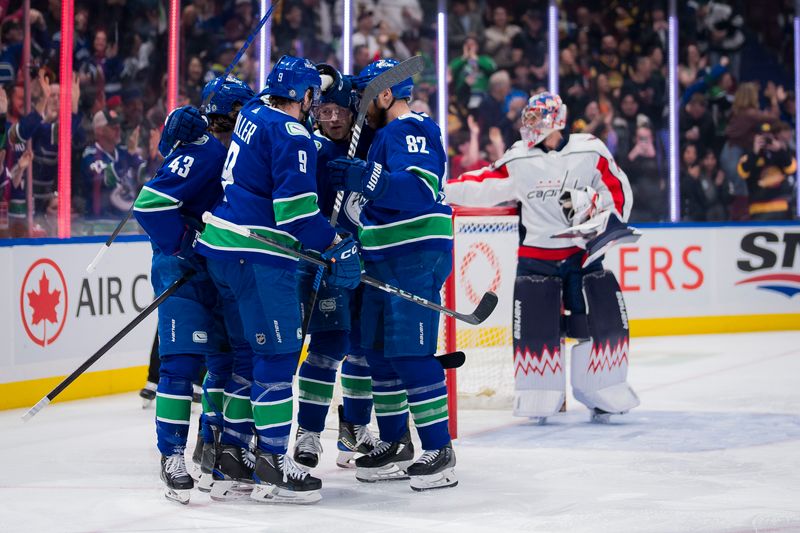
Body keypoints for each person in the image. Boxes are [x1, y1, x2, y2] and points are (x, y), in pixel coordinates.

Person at [194, 55, 362, 504]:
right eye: (313, 98)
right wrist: (337, 246)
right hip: (259, 257)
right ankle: (271, 464)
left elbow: (263, 97)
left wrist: (318, 77)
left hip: (221, 250)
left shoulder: (249, 112)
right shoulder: (292, 134)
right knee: (278, 360)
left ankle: (231, 458)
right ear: (305, 97)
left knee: (246, 357)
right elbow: (297, 214)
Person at [445, 92, 639, 425]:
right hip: (537, 259)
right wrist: (438, 190)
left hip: (583, 256)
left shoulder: (589, 149)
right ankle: (540, 392)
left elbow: (617, 190)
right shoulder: (519, 158)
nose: (529, 124)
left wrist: (600, 216)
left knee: (596, 324)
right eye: (527, 118)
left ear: (556, 119)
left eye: (536, 118)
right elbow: (483, 183)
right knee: (536, 332)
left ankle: (604, 388)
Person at [326, 58, 457, 491]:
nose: (359, 110)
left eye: (365, 99)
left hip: (414, 255)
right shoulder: (384, 136)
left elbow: (419, 188)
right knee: (376, 352)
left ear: (385, 95)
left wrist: (369, 176)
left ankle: (439, 450)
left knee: (409, 356)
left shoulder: (411, 128)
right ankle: (395, 442)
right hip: (383, 258)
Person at [132, 75, 254, 504]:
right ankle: (172, 457)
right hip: (184, 272)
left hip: (218, 273)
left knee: (222, 366)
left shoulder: (235, 156)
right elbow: (149, 205)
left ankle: (214, 449)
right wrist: (184, 245)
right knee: (180, 367)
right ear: (234, 114)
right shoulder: (205, 151)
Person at [292, 64, 380, 470]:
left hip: (368, 258)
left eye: (338, 113)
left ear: (352, 113)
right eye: (322, 113)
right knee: (328, 348)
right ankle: (308, 433)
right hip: (327, 260)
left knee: (362, 349)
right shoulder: (308, 147)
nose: (330, 121)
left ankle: (354, 429)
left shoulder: (370, 144)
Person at [737, 122, 796, 220]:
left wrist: (779, 151)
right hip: (758, 208)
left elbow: (792, 168)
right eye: (762, 135)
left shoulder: (781, 151)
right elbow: (743, 172)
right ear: (755, 137)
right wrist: (754, 153)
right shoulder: (748, 154)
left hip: (781, 206)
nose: (765, 138)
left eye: (769, 135)